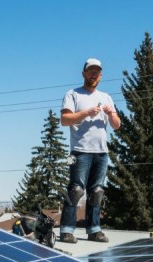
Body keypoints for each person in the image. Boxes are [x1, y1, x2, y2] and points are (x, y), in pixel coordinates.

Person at [59, 58, 121, 244]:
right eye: (90, 71)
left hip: (102, 152)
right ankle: (66, 230)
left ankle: (94, 230)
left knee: (97, 191)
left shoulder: (106, 97)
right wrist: (87, 113)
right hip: (79, 151)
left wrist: (111, 114)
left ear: (101, 76)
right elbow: (65, 120)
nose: (93, 74)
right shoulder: (73, 94)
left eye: (97, 71)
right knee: (76, 190)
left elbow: (117, 125)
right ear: (84, 73)